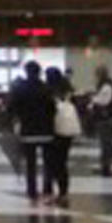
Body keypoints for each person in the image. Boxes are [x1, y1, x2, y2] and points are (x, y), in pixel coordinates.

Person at [8, 59, 55, 204]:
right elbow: (52, 109)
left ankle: (32, 190)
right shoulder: (46, 88)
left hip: (28, 130)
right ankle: (48, 189)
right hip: (46, 131)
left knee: (30, 163)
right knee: (48, 162)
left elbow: (12, 108)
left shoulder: (20, 88)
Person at [44, 66, 77, 207]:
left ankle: (49, 193)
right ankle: (63, 193)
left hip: (52, 131)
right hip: (67, 132)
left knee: (49, 163)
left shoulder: (48, 92)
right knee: (62, 163)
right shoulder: (68, 90)